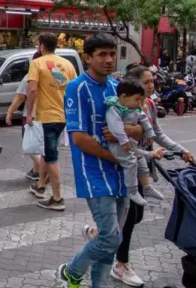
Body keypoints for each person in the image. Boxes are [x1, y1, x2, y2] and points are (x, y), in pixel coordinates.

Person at [57, 33, 144, 288]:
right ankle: (72, 271)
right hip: (94, 173)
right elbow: (79, 138)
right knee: (109, 238)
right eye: (102, 54)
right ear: (87, 58)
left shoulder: (116, 88)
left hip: (120, 175)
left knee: (112, 238)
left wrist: (131, 134)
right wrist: (116, 157)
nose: (109, 59)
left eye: (112, 54)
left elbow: (137, 125)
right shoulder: (77, 88)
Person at [104, 65, 195, 286]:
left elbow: (158, 133)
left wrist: (180, 150)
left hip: (145, 162)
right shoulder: (122, 107)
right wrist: (132, 131)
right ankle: (121, 264)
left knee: (136, 216)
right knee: (130, 214)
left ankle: (102, 233)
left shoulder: (150, 104)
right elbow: (111, 132)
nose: (151, 85)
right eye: (146, 82)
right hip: (125, 166)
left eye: (152, 81)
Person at [25, 33, 77, 211]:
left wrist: (29, 113)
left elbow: (32, 90)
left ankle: (57, 197)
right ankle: (40, 186)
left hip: (47, 117)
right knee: (47, 152)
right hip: (63, 115)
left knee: (51, 155)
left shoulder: (37, 63)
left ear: (41, 46)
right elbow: (74, 89)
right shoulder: (67, 64)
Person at [103, 78, 159, 206]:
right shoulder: (114, 109)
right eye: (137, 99)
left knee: (140, 159)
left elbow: (144, 119)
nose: (139, 103)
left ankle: (146, 186)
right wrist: (123, 141)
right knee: (131, 162)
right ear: (124, 97)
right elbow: (115, 127)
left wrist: (150, 133)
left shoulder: (133, 108)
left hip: (129, 142)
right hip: (118, 144)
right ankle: (132, 191)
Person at [6, 51, 44, 181]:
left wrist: (10, 112)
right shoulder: (52, 76)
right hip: (49, 115)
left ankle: (46, 171)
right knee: (38, 145)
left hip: (31, 115)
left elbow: (20, 97)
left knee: (29, 146)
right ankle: (36, 171)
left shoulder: (30, 77)